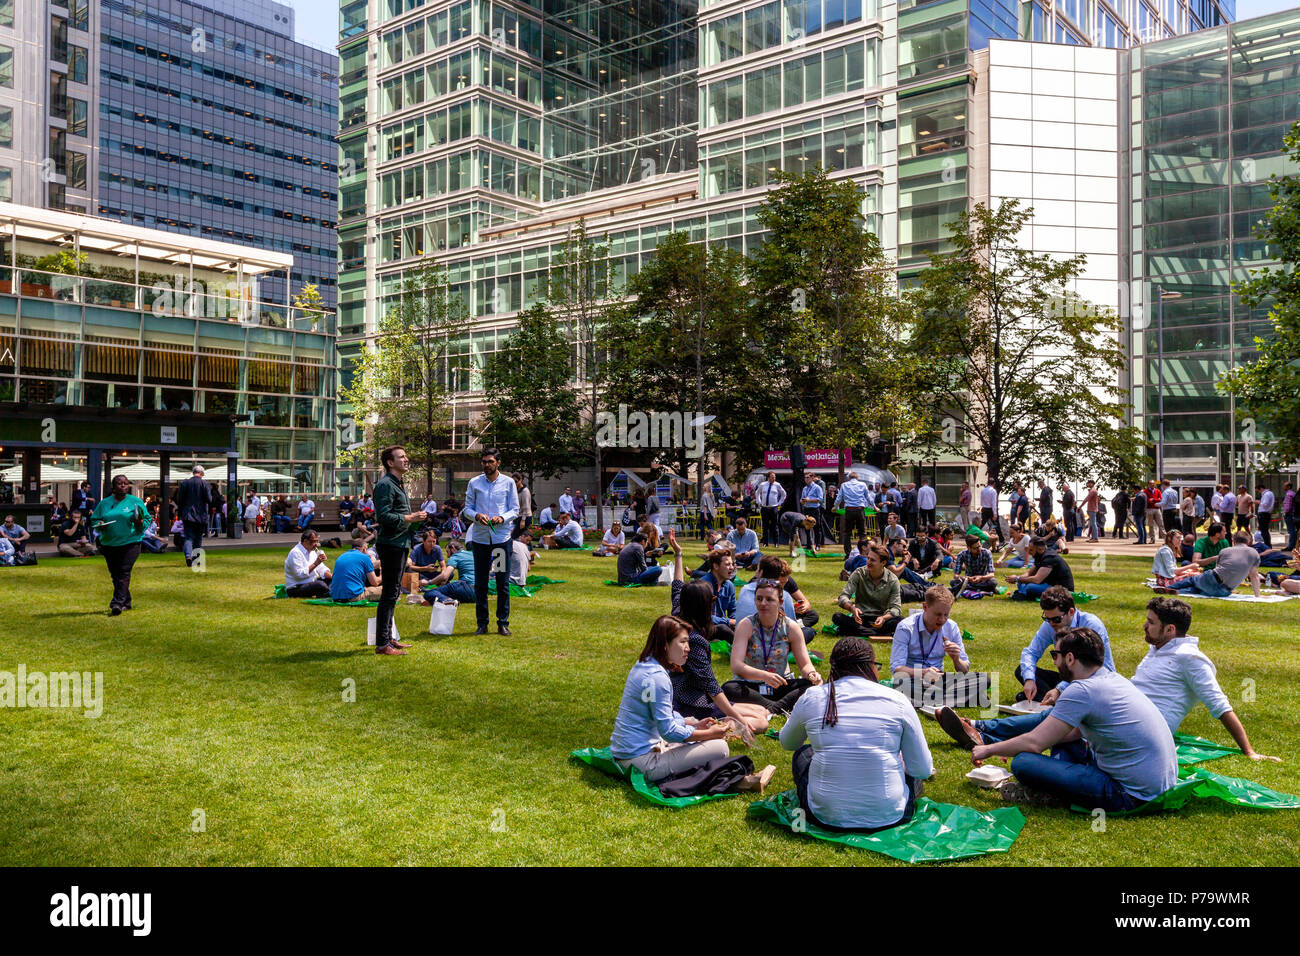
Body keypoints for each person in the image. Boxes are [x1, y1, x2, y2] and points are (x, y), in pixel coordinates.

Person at [944, 627, 1179, 812]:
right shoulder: (1111, 679)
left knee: (1023, 762)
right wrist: (1010, 745)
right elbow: (1071, 733)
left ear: (1069, 659)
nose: (1054, 662)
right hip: (1156, 786)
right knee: (1054, 736)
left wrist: (989, 750)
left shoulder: (1082, 690)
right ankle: (986, 733)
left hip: (1128, 794)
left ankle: (1048, 789)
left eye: (1055, 655)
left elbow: (1035, 743)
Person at [780, 637, 932, 832]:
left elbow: (788, 742)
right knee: (908, 763)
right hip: (890, 815)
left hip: (825, 815)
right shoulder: (898, 700)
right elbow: (923, 770)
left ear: (833, 667)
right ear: (870, 666)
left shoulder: (813, 697)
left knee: (803, 754)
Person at [610, 615, 764, 787]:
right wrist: (710, 734)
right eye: (682, 642)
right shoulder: (657, 678)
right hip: (641, 764)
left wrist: (692, 725)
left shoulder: (645, 665)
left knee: (693, 725)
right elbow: (668, 732)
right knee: (720, 747)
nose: (688, 648)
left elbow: (659, 717)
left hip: (625, 754)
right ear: (665, 645)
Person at [1132, 598, 1279, 761]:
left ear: (1169, 629)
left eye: (1151, 622)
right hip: (1127, 716)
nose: (1145, 626)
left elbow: (1219, 705)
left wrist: (1249, 752)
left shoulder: (1189, 658)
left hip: (1145, 730)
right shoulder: (1157, 647)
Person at [667, 533, 768, 737]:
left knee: (763, 711)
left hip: (691, 694)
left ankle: (722, 720)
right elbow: (712, 687)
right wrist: (740, 722)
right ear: (703, 606)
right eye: (710, 600)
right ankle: (709, 728)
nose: (714, 601)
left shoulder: (679, 612)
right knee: (760, 723)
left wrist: (679, 554)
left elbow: (677, 585)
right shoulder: (693, 641)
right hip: (691, 701)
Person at [725, 577, 822, 714]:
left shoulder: (791, 627)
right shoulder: (746, 625)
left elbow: (805, 664)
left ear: (780, 602)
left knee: (812, 686)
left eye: (769, 599)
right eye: (759, 599)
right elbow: (736, 666)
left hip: (780, 685)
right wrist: (764, 676)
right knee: (729, 688)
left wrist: (812, 674)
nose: (763, 603)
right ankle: (780, 707)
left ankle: (771, 708)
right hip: (752, 686)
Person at [1012, 586, 1113, 702]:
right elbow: (1031, 652)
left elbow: (1095, 670)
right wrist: (1029, 679)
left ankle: (1049, 698)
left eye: (1056, 619)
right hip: (1069, 677)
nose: (1051, 623)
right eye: (1046, 618)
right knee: (1022, 670)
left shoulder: (1091, 625)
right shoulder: (1050, 624)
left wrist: (1060, 689)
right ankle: (1048, 698)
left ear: (1071, 612)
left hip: (1093, 680)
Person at [370, 446, 426, 655]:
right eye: (401, 457)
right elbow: (383, 516)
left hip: (401, 543)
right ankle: (382, 643)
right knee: (389, 594)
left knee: (393, 593)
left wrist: (416, 521)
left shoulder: (399, 484)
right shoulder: (385, 485)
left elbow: (400, 516)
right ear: (390, 463)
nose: (406, 459)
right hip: (391, 544)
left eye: (405, 455)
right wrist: (409, 518)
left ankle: (389, 638)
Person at [461, 447, 519, 637]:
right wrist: (476, 515)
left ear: (498, 463)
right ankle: (482, 623)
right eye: (484, 462)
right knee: (481, 583)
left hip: (501, 540)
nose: (487, 465)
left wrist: (502, 518)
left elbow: (515, 510)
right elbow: (467, 509)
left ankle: (502, 622)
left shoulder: (509, 483)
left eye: (490, 461)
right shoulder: (474, 483)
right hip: (480, 540)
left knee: (502, 582)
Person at [90, 474, 148, 615]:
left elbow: (146, 519)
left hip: (131, 542)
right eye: (119, 483)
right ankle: (126, 602)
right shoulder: (104, 503)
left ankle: (116, 603)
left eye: (125, 483)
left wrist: (139, 523)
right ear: (113, 487)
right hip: (109, 543)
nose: (123, 486)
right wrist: (100, 525)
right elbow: (94, 520)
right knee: (115, 574)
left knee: (123, 571)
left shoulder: (135, 501)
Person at [1155, 529, 1261, 598]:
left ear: (1234, 540)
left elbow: (1217, 569)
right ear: (1248, 541)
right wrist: (1257, 596)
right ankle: (1179, 592)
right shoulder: (1254, 553)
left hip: (1212, 579)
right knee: (1198, 590)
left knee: (1193, 580)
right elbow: (1254, 576)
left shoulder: (1225, 551)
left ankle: (1171, 588)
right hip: (1224, 591)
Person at [832, 544, 903, 637]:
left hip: (881, 619)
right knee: (837, 617)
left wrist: (884, 618)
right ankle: (878, 633)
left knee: (900, 620)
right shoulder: (859, 573)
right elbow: (843, 596)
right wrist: (852, 608)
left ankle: (855, 631)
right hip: (860, 618)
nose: (868, 562)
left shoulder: (892, 580)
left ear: (883, 563)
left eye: (872, 560)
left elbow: (896, 608)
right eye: (868, 558)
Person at [1006, 536, 1074, 600]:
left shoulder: (1049, 557)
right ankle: (1024, 593)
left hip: (1061, 589)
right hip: (1048, 585)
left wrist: (1017, 579)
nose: (1029, 552)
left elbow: (1037, 580)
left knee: (1029, 586)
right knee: (1021, 582)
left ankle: (1023, 594)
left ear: (1039, 549)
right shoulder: (1039, 556)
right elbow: (1029, 573)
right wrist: (1016, 578)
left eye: (1031, 550)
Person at [172, 465, 213, 565]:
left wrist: (181, 512)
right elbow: (209, 499)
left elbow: (180, 499)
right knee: (198, 538)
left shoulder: (185, 483)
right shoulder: (204, 483)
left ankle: (188, 556)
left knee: (188, 537)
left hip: (187, 515)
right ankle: (196, 559)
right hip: (200, 515)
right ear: (201, 473)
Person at [330, 532, 383, 604]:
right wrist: (381, 576)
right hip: (353, 596)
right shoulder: (365, 557)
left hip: (335, 596)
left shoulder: (341, 556)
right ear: (364, 549)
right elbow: (375, 583)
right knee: (389, 590)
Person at [425, 538, 475, 604]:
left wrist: (429, 582)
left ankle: (447, 600)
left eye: (448, 552)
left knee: (429, 593)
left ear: (453, 548)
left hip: (466, 587)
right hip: (479, 593)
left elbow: (445, 576)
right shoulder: (473, 554)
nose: (448, 556)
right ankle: (450, 600)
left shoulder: (455, 556)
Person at [284, 530, 333, 598]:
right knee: (320, 585)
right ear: (305, 541)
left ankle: (327, 592)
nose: (316, 544)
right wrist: (316, 563)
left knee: (331, 580)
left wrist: (333, 577)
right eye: (313, 541)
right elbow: (299, 575)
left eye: (317, 541)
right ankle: (328, 592)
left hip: (311, 583)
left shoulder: (312, 551)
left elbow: (321, 568)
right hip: (296, 587)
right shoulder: (295, 553)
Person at [833, 471, 870, 557]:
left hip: (849, 510)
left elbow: (839, 498)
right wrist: (874, 506)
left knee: (847, 533)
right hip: (859, 509)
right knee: (862, 533)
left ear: (849, 478)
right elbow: (868, 497)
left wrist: (835, 507)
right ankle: (863, 553)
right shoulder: (863, 484)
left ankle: (848, 554)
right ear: (857, 478)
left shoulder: (844, 485)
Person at [756, 471, 786, 547]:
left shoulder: (777, 485)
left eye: (774, 477)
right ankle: (765, 543)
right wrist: (759, 501)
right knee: (765, 526)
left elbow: (783, 494)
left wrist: (779, 503)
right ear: (768, 477)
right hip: (764, 508)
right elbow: (757, 493)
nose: (774, 478)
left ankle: (776, 543)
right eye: (772, 477)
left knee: (775, 526)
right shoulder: (763, 484)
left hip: (773, 508)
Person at [800, 473, 825, 549]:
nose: (806, 479)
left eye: (808, 477)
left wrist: (809, 500)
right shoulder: (804, 488)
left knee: (817, 528)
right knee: (807, 527)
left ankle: (818, 545)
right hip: (806, 509)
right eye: (805, 478)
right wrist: (802, 501)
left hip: (814, 509)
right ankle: (809, 545)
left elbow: (820, 499)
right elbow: (801, 499)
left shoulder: (817, 487)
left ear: (812, 478)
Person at [1256, 484, 1275, 549]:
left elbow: (1265, 504)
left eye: (1258, 490)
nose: (1259, 492)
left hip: (1264, 514)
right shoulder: (1269, 493)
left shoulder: (1267, 494)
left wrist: (1258, 502)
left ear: (1261, 488)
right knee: (1264, 530)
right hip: (1265, 513)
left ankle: (1267, 545)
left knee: (1264, 531)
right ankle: (1267, 545)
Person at [1283, 481, 1298, 552]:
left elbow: (1288, 506)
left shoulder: (1289, 494)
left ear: (1288, 487)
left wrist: (1286, 513)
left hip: (1289, 515)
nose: (1283, 487)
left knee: (1291, 531)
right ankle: (1293, 545)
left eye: (1285, 485)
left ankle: (1291, 546)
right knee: (1293, 531)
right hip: (1292, 514)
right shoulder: (1293, 493)